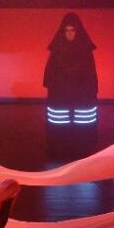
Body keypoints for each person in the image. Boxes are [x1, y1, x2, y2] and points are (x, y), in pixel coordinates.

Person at [43, 12, 98, 156]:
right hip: (61, 93)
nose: (69, 33)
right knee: (60, 121)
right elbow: (50, 74)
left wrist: (90, 91)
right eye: (66, 30)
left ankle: (82, 147)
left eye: (72, 30)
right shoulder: (56, 50)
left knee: (82, 121)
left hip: (81, 93)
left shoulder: (86, 51)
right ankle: (60, 147)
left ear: (77, 31)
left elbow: (91, 74)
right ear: (62, 32)